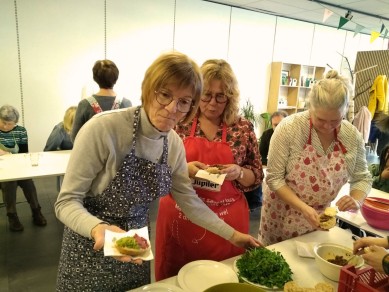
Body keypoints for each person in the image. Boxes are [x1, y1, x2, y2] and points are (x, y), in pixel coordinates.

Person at [54, 52, 260, 291]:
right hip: (90, 246)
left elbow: (189, 201)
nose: (172, 108)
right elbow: (66, 202)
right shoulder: (103, 130)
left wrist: (234, 235)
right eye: (165, 95)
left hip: (135, 246)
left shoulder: (172, 144)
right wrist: (98, 228)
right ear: (148, 89)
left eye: (184, 102)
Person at [154, 59, 263, 280]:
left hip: (226, 222)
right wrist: (184, 169)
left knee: (222, 279)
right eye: (206, 95)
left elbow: (257, 175)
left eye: (220, 96)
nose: (212, 102)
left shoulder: (242, 128)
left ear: (230, 97)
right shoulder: (178, 120)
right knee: (177, 280)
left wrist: (239, 172)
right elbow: (156, 167)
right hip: (180, 216)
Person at [258, 70, 372, 246]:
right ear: (310, 107)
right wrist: (303, 208)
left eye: (335, 120)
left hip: (319, 221)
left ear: (344, 112)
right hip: (281, 217)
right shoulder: (290, 128)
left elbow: (362, 178)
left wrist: (356, 199)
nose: (327, 126)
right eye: (320, 119)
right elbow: (274, 178)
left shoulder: (351, 136)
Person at [0, 105, 47, 231]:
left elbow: (24, 153)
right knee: (8, 184)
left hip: (18, 166)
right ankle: (12, 216)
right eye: (3, 122)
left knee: (28, 183)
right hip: (2, 170)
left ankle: (36, 211)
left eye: (9, 124)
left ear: (15, 123)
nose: (5, 126)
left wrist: (8, 155)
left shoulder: (20, 131)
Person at [71, 59, 132, 141]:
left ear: (95, 78)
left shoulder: (84, 104)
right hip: (119, 153)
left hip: (92, 152)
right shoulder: (126, 104)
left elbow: (75, 137)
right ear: (116, 77)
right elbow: (131, 135)